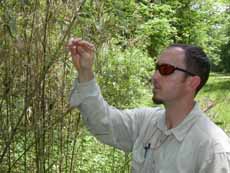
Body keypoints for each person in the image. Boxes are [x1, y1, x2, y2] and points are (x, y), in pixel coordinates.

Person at [67, 38, 230, 173]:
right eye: (156, 68)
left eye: (165, 69)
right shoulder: (146, 122)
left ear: (192, 82)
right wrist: (85, 72)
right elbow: (103, 122)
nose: (154, 76)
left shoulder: (213, 149)